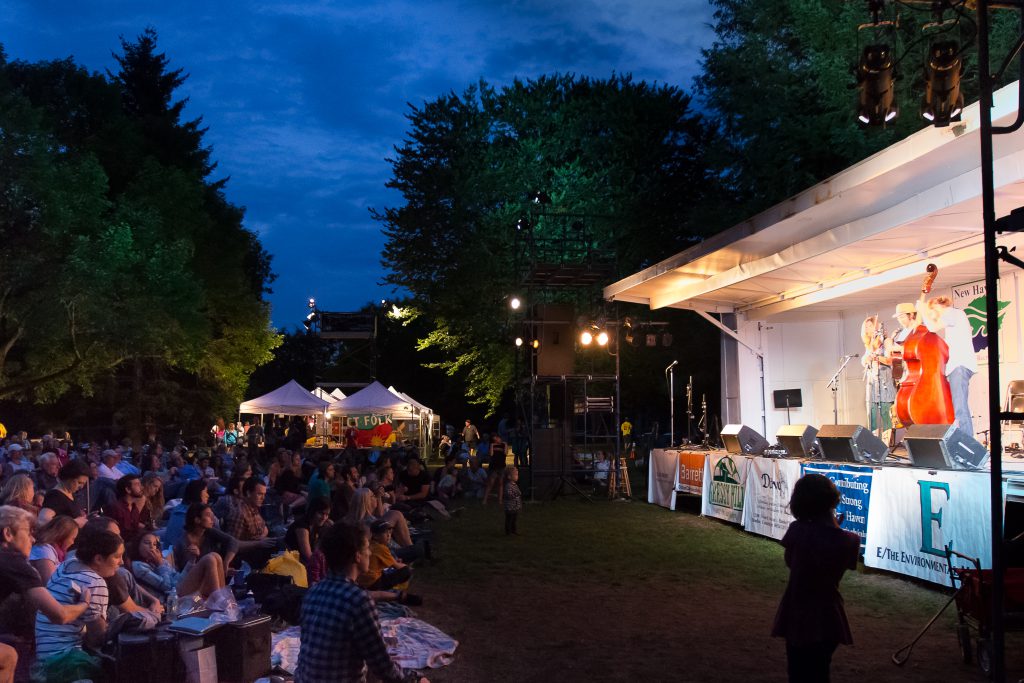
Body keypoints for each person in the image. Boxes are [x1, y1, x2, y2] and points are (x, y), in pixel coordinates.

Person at [296, 522, 427, 683]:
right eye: (367, 548)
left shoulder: (313, 593)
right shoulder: (358, 600)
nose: (370, 552)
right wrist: (414, 678)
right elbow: (383, 666)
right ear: (357, 556)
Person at [772, 474, 860, 683]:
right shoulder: (850, 541)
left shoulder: (797, 531)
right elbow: (837, 564)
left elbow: (791, 562)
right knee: (821, 669)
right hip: (828, 613)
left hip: (798, 609)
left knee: (798, 671)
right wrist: (834, 529)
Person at [0, 506, 92, 683]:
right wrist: (84, 604)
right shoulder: (13, 560)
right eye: (28, 533)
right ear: (8, 534)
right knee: (9, 656)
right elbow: (59, 615)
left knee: (8, 655)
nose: (33, 539)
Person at [35, 529, 123, 668]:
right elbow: (97, 638)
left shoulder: (67, 565)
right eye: (117, 556)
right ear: (98, 559)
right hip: (66, 659)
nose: (121, 562)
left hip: (43, 654)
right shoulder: (94, 582)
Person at [918, 294, 978, 435]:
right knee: (959, 406)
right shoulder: (954, 318)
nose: (933, 316)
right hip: (958, 366)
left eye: (931, 311)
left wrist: (922, 311)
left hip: (959, 366)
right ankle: (964, 440)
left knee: (960, 407)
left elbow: (932, 328)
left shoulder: (952, 312)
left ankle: (967, 443)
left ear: (937, 307)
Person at [131, 532, 226, 600]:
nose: (152, 547)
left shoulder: (159, 561)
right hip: (172, 599)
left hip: (178, 589)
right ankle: (218, 602)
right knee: (209, 559)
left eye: (155, 544)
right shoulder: (138, 566)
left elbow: (177, 578)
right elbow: (168, 587)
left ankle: (223, 599)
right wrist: (160, 564)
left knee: (215, 556)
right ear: (138, 546)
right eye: (147, 543)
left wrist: (191, 561)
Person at [861, 315, 896, 441]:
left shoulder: (886, 341)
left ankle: (886, 446)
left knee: (886, 417)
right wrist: (867, 358)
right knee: (872, 417)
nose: (867, 329)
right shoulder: (869, 345)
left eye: (870, 326)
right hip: (872, 386)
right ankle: (874, 444)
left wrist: (876, 357)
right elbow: (864, 361)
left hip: (884, 385)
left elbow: (890, 360)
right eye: (866, 327)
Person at [174, 503, 239, 570]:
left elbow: (233, 542)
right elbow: (185, 570)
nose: (212, 519)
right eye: (208, 515)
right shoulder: (183, 542)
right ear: (197, 520)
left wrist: (226, 563)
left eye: (212, 515)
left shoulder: (209, 532)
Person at [38, 460, 90, 527]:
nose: (81, 487)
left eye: (83, 484)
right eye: (79, 483)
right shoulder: (55, 496)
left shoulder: (70, 492)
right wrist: (74, 522)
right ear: (69, 477)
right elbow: (42, 521)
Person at [29, 516, 79, 585]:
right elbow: (50, 583)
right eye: (72, 539)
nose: (72, 542)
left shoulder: (56, 552)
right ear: (62, 536)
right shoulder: (44, 550)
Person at [108, 474, 154, 545]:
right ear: (128, 490)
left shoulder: (134, 508)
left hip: (134, 543)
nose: (141, 487)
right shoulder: (115, 508)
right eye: (137, 485)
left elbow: (136, 528)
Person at [482, 435, 506, 506]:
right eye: (496, 439)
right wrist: (492, 446)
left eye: (498, 438)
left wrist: (505, 444)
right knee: (491, 483)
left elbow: (505, 453)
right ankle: (485, 500)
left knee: (501, 483)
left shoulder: (503, 445)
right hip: (494, 466)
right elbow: (491, 454)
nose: (498, 440)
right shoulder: (492, 445)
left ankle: (500, 500)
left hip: (501, 466)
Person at [503, 467, 522, 536]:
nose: (517, 476)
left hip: (515, 507)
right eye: (515, 475)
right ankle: (508, 532)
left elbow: (518, 492)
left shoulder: (514, 485)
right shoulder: (508, 486)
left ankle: (513, 531)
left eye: (517, 475)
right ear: (509, 477)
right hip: (510, 507)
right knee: (509, 520)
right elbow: (509, 494)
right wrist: (516, 494)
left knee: (514, 520)